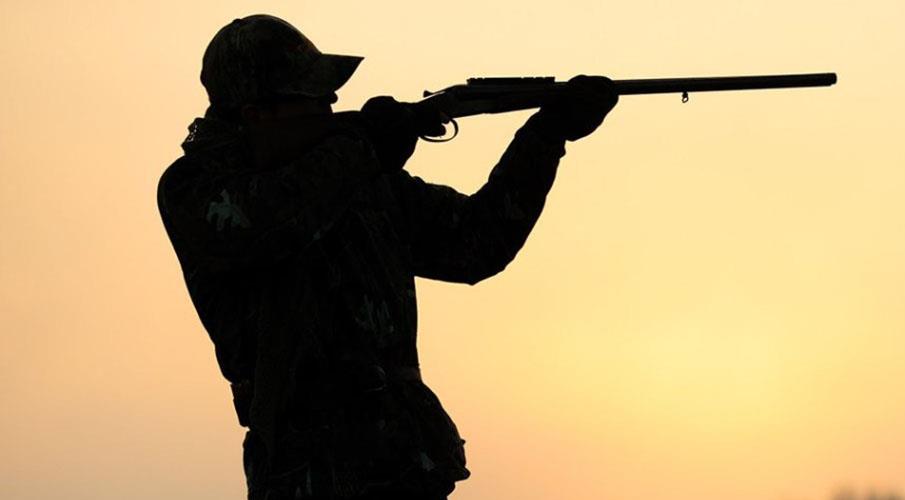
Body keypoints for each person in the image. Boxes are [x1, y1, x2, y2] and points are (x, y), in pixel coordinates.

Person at [156, 14, 617, 500]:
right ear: (257, 113)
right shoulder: (196, 189)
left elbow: (477, 245)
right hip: (310, 474)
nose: (331, 107)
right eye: (314, 98)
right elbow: (269, 223)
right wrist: (366, 146)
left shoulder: (364, 180)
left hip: (403, 464)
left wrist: (544, 138)